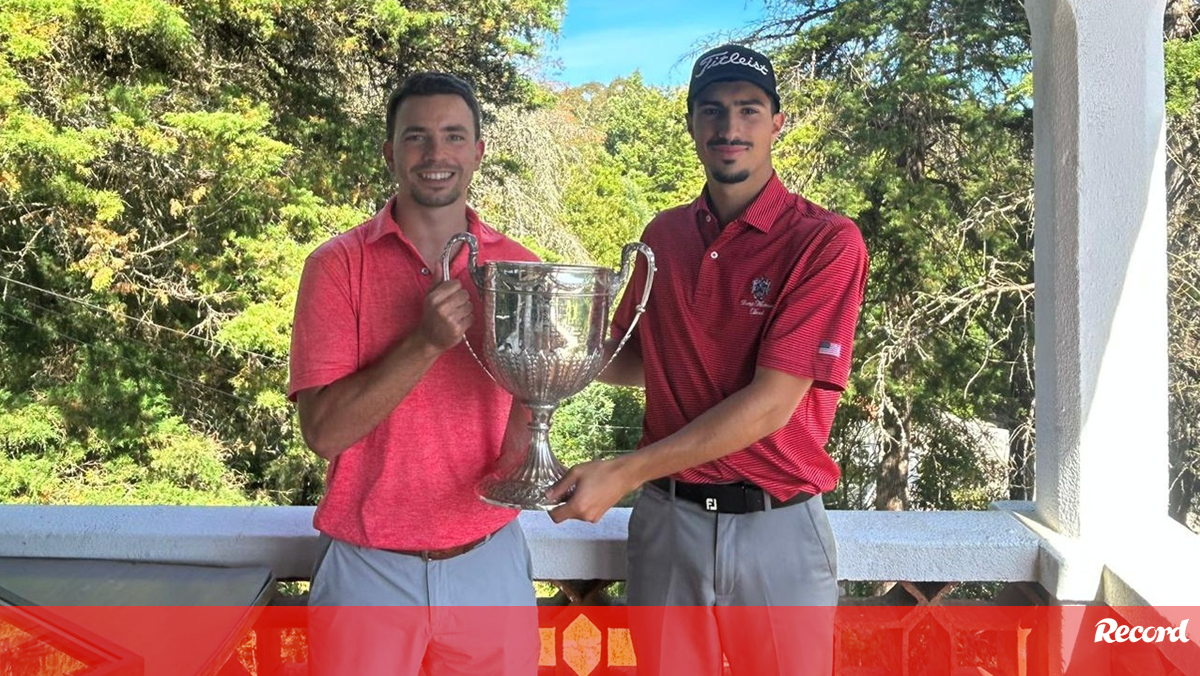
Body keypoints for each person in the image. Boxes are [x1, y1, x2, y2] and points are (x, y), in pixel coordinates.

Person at [547, 44, 869, 675]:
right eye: (712, 110)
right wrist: (540, 341)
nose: (730, 128)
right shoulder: (662, 236)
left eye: (749, 110)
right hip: (670, 522)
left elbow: (771, 405)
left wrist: (625, 470)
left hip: (776, 525)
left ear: (777, 123)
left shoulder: (825, 241)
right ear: (691, 123)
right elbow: (632, 359)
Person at [288, 72, 540, 676]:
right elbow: (323, 433)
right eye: (416, 138)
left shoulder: (521, 268)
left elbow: (527, 415)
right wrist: (423, 345)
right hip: (366, 572)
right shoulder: (336, 266)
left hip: (490, 559)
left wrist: (537, 445)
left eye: (454, 136)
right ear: (390, 152)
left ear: (477, 152)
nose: (436, 155)